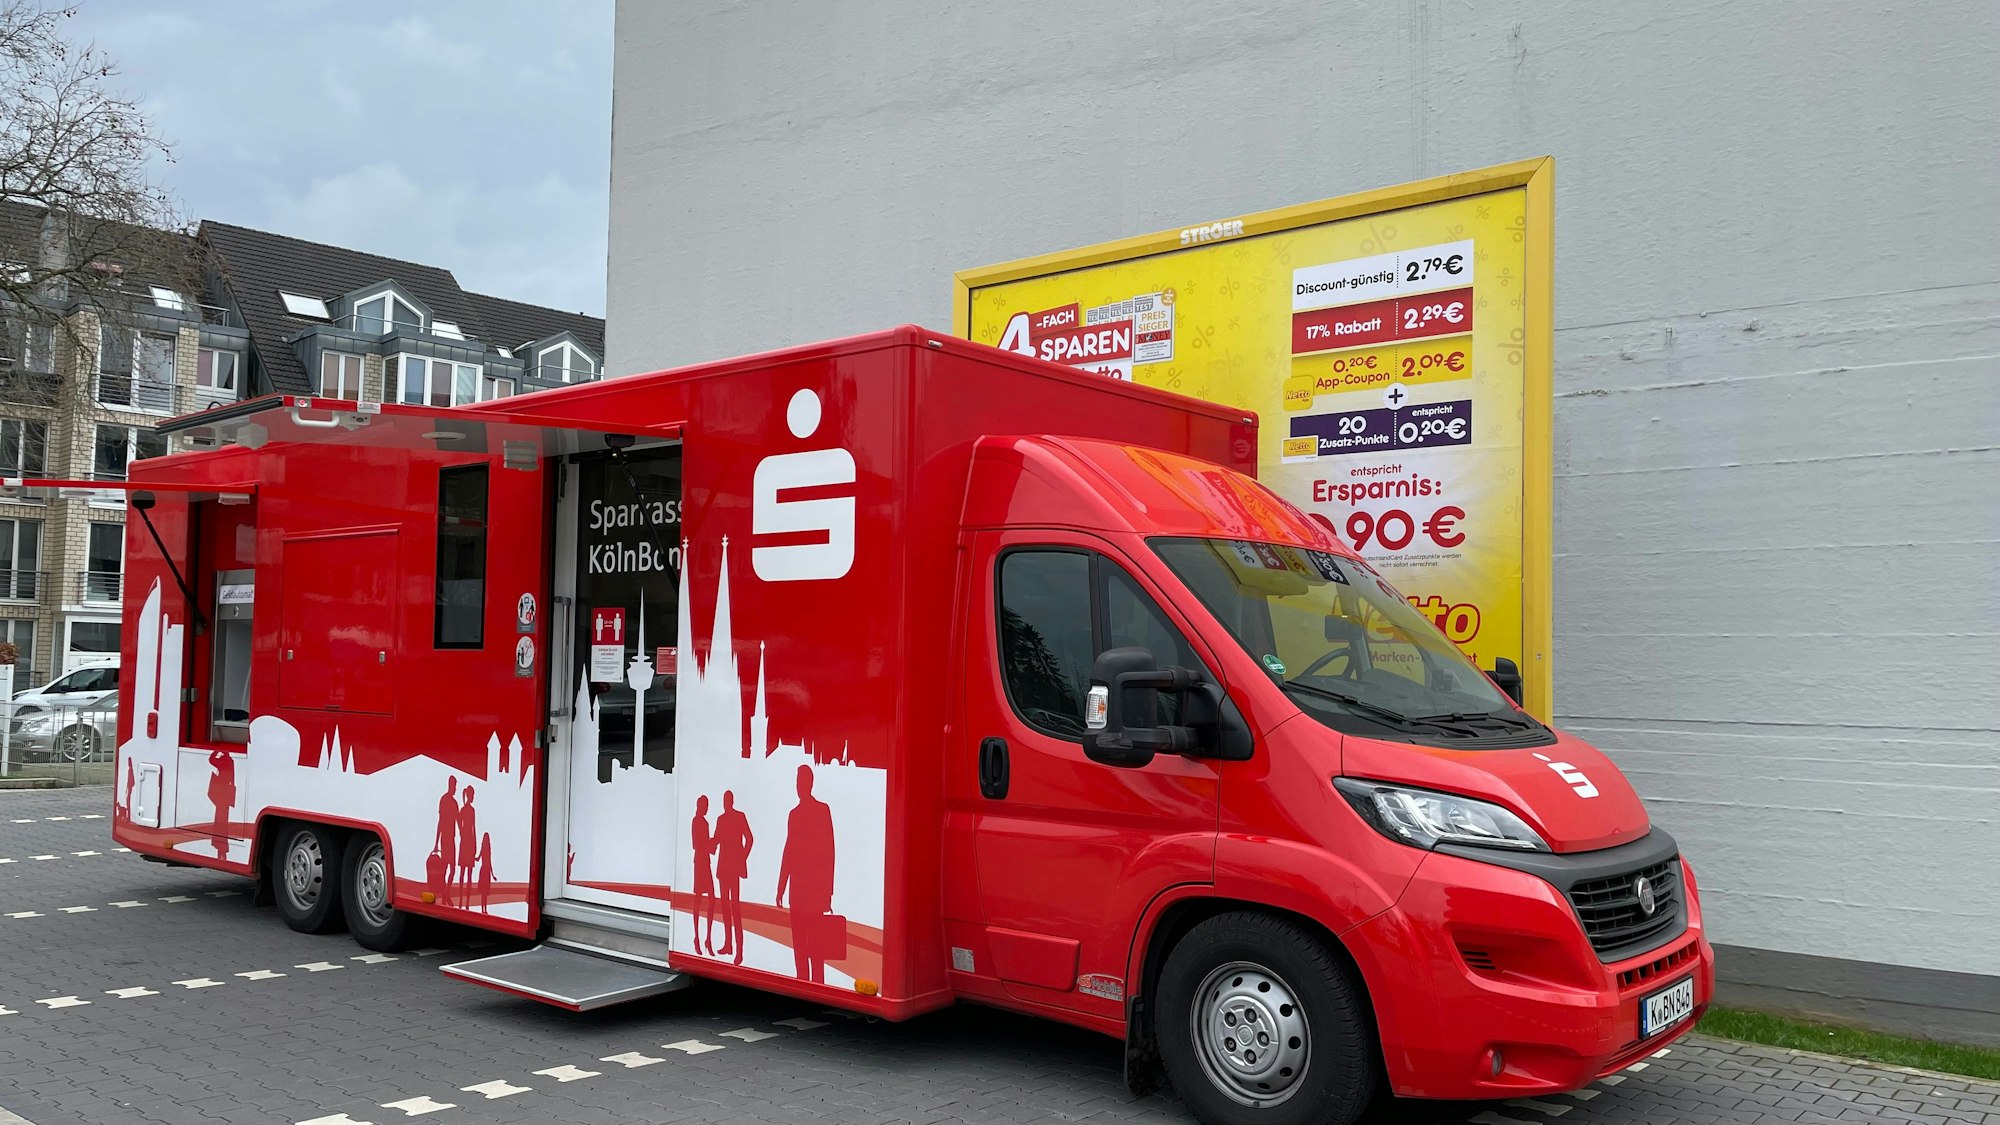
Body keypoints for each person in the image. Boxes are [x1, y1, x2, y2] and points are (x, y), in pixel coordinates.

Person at [775, 765, 836, 983]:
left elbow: (829, 851)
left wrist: (828, 892)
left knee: (813, 949)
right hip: (801, 891)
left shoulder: (821, 810)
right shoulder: (796, 814)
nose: (800, 786)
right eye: (798, 782)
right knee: (801, 947)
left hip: (811, 892)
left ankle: (816, 986)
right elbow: (788, 851)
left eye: (802, 781)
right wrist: (781, 887)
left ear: (809, 784)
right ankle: (806, 984)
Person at [712, 789, 753, 964]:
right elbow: (716, 841)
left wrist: (741, 857)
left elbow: (749, 839)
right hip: (724, 869)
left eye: (727, 800)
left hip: (733, 869)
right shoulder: (721, 819)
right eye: (724, 800)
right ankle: (728, 945)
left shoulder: (739, 817)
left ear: (732, 801)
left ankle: (739, 951)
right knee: (726, 909)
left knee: (734, 908)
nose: (725, 803)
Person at [690, 795, 717, 955]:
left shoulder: (704, 822)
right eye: (705, 805)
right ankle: (697, 937)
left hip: (705, 862)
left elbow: (704, 845)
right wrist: (710, 844)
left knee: (711, 899)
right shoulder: (697, 821)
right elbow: (696, 844)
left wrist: (711, 844)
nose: (707, 809)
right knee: (699, 900)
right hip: (700, 863)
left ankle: (707, 938)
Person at [206, 749, 236, 859]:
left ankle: (220, 848)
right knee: (223, 821)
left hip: (221, 792)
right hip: (226, 794)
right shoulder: (230, 761)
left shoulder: (223, 760)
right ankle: (222, 849)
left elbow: (211, 759)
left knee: (219, 821)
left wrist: (217, 750)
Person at [434, 777, 460, 900]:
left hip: (451, 839)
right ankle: (445, 894)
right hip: (445, 839)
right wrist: (436, 843)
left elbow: (458, 821)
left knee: (453, 868)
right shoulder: (444, 800)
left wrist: (463, 835)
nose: (455, 788)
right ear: (451, 785)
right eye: (455, 785)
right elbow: (440, 822)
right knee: (445, 868)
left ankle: (446, 893)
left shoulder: (454, 803)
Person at [455, 785, 479, 906]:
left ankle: (467, 902)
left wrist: (475, 844)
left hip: (469, 842)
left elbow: (474, 828)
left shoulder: (471, 810)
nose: (473, 797)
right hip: (465, 841)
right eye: (471, 795)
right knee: (463, 872)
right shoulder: (464, 810)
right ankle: (461, 901)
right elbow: (458, 821)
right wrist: (462, 832)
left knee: (468, 873)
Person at [476, 832, 495, 912]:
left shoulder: (485, 849)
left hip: (485, 871)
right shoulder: (486, 849)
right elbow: (488, 862)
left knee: (484, 893)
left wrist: (493, 874)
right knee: (484, 893)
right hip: (485, 871)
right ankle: (484, 909)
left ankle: (484, 909)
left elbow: (479, 859)